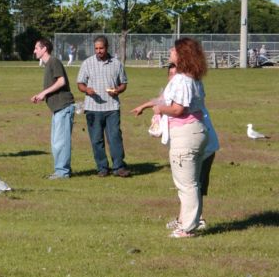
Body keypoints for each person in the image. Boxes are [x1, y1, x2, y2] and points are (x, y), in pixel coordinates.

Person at [132, 62, 219, 229]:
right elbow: (160, 101)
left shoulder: (184, 88)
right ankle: (184, 220)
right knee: (187, 184)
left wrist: (159, 111)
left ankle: (194, 221)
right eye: (170, 74)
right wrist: (144, 107)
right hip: (196, 141)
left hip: (202, 145)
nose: (173, 77)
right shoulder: (176, 89)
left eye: (175, 74)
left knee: (191, 185)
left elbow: (176, 110)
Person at [152, 37, 209, 238]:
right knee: (192, 183)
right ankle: (189, 221)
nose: (170, 51)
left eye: (174, 50)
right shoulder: (194, 78)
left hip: (185, 134)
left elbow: (178, 109)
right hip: (196, 132)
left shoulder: (182, 79)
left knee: (187, 184)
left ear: (182, 54)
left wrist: (159, 108)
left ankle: (188, 227)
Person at [76, 36, 130, 177]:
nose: (99, 51)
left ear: (107, 48)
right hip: (93, 108)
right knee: (96, 140)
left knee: (115, 138)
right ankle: (102, 168)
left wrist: (118, 90)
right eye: (96, 48)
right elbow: (80, 83)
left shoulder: (117, 64)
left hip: (112, 108)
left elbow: (124, 83)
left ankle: (119, 167)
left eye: (101, 48)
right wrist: (87, 90)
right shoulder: (87, 63)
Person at [31, 39, 75, 179]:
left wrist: (44, 93)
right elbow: (54, 86)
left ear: (44, 49)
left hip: (64, 107)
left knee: (61, 141)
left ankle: (62, 172)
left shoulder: (54, 61)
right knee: (56, 142)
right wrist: (41, 95)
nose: (34, 51)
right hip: (57, 109)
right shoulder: (48, 65)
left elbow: (62, 81)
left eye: (36, 48)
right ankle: (61, 170)